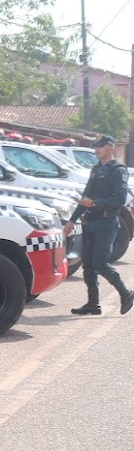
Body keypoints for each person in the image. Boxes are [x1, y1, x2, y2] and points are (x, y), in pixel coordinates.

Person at [66, 135, 133, 316]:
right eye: (95, 146)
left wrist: (95, 204)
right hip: (90, 222)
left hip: (106, 223)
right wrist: (72, 220)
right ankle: (93, 304)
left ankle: (126, 294)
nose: (97, 149)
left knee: (100, 264)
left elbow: (119, 199)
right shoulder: (96, 169)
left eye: (101, 146)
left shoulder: (118, 170)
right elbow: (86, 197)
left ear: (111, 148)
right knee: (88, 265)